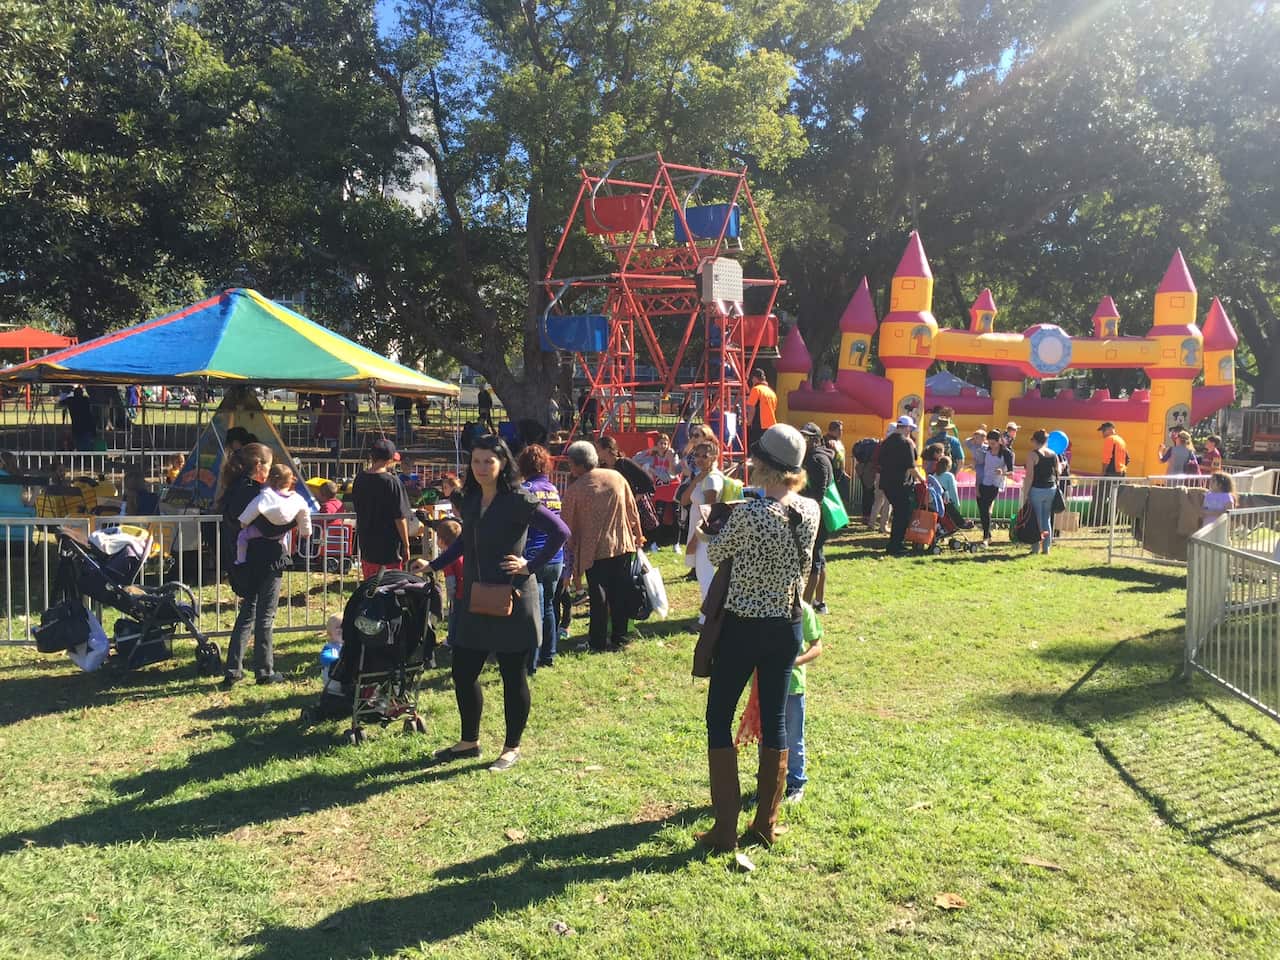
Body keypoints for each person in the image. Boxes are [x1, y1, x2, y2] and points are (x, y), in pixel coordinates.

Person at [697, 423, 820, 852]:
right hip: (786, 627)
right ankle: (766, 822)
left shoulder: (749, 514)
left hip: (742, 628)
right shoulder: (810, 510)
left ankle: (725, 828)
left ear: (763, 466)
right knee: (775, 721)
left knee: (718, 717)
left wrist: (717, 522)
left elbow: (715, 552)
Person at [427, 435, 569, 772]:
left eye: (488, 461)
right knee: (463, 672)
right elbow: (465, 541)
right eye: (476, 461)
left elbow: (560, 532)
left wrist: (530, 565)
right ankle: (469, 742)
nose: (481, 467)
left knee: (512, 676)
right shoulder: (472, 498)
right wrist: (433, 565)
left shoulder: (517, 498)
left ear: (503, 463)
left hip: (512, 598)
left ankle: (511, 747)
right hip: (475, 598)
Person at [217, 443, 290, 688]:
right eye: (269, 466)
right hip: (267, 559)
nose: (270, 472)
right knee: (265, 615)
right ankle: (264, 671)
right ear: (259, 466)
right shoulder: (257, 493)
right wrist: (297, 520)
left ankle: (233, 669)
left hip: (243, 560)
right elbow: (270, 527)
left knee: (248, 612)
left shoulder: (232, 489)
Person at [560, 440, 644, 652]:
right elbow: (632, 509)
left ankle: (597, 642)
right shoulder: (616, 477)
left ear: (576, 464)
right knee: (620, 593)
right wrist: (638, 535)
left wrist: (571, 554)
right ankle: (620, 637)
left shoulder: (575, 490)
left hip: (593, 550)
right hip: (622, 543)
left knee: (599, 598)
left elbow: (566, 525)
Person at [518, 443, 564, 671]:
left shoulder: (525, 489)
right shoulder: (552, 489)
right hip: (555, 556)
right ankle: (549, 654)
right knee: (548, 606)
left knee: (534, 611)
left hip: (532, 556)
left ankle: (532, 661)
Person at [351, 439, 413, 582]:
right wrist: (406, 545)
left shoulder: (359, 479)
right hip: (389, 547)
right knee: (390, 586)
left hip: (367, 544)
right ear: (390, 459)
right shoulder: (393, 482)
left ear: (371, 456)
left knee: (370, 585)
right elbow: (400, 517)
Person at [679, 438, 725, 610]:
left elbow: (710, 513)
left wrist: (694, 540)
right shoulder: (702, 477)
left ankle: (708, 617)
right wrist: (695, 480)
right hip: (699, 531)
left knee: (706, 577)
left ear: (714, 457)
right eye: (697, 455)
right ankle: (709, 615)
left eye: (704, 456)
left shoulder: (712, 480)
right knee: (703, 575)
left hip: (705, 535)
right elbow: (684, 501)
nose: (699, 459)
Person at [784, 602, 823, 803]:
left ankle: (795, 784)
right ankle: (768, 784)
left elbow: (816, 646)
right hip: (762, 684)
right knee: (765, 738)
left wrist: (795, 662)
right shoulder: (765, 605)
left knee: (793, 738)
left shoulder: (804, 610)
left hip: (793, 686)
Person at [237, 463, 313, 564]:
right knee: (284, 538)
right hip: (282, 530)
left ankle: (240, 560)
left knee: (242, 536)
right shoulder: (297, 499)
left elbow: (251, 509)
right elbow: (304, 515)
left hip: (262, 531)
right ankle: (286, 557)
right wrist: (306, 532)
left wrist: (244, 523)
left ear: (269, 480)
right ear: (290, 481)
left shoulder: (265, 496)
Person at [799, 423, 834, 613]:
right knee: (819, 558)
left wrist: (810, 514)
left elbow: (819, 493)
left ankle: (806, 605)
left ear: (816, 440)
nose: (804, 440)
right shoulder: (814, 456)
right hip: (815, 513)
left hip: (816, 515)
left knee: (814, 560)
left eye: (807, 437)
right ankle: (819, 602)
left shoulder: (817, 459)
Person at [879, 416, 924, 555]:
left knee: (899, 513)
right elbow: (911, 467)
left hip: (887, 483)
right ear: (907, 428)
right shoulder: (906, 443)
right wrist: (923, 480)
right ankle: (896, 545)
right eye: (910, 428)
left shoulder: (886, 442)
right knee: (902, 514)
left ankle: (896, 543)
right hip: (901, 484)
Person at [966, 429, 1014, 545]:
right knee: (982, 510)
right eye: (989, 443)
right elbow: (978, 460)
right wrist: (974, 465)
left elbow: (1011, 472)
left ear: (999, 441)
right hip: (983, 481)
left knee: (985, 508)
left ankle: (985, 537)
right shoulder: (986, 450)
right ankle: (988, 535)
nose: (991, 446)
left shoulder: (1006, 453)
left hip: (995, 483)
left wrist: (1002, 472)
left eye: (993, 443)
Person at [1022, 430, 1062, 555]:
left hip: (1037, 489)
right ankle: (1046, 547)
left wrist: (1025, 493)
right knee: (1046, 519)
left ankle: (1035, 547)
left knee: (1036, 519)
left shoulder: (1032, 455)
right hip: (1051, 489)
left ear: (1035, 440)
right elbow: (1058, 471)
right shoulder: (1053, 454)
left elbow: (1029, 476)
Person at [434, 519, 464, 646]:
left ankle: (452, 640)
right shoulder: (461, 553)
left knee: (454, 617)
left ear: (441, 541)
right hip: (468, 590)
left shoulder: (447, 557)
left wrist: (451, 598)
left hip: (459, 593)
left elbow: (450, 580)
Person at [744, 368, 778, 446]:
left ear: (755, 378)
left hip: (758, 427)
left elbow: (751, 409)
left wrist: (748, 424)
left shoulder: (756, 390)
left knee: (754, 448)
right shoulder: (771, 392)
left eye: (752, 378)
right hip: (771, 427)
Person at [60, 386, 97, 451]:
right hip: (87, 424)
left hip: (77, 425)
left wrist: (66, 393)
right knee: (86, 442)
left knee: (79, 442)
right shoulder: (85, 399)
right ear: (82, 393)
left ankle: (81, 453)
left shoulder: (71, 400)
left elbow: (61, 403)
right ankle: (86, 453)